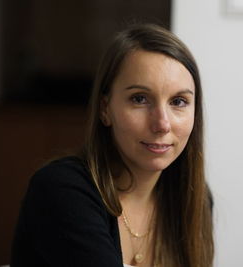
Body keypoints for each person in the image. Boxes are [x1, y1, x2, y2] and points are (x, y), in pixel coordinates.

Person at [11, 23, 214, 267]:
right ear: (105, 108)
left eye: (179, 101)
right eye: (139, 99)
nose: (162, 124)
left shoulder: (194, 198)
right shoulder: (62, 190)